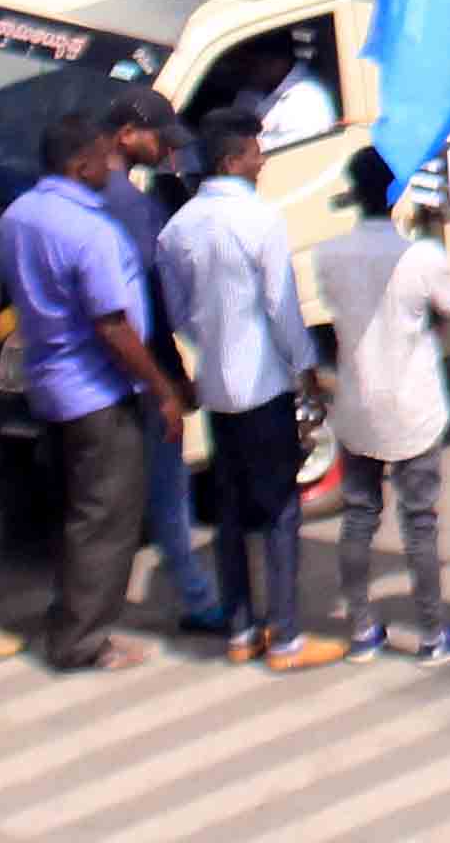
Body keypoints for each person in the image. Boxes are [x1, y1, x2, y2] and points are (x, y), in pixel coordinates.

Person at [157, 109, 340, 670]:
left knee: (232, 510)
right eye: (256, 152)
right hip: (263, 386)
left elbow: (178, 313)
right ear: (232, 160)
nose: (263, 161)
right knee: (281, 508)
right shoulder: (260, 220)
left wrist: (211, 341)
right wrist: (305, 365)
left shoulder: (178, 228)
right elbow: (282, 307)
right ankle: (284, 636)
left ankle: (240, 630)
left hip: (216, 386)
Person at [2, 106, 179, 673]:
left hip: (49, 384)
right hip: (96, 393)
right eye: (104, 156)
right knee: (106, 519)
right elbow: (112, 325)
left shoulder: (20, 214)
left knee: (77, 512)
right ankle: (84, 640)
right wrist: (162, 388)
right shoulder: (92, 232)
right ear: (81, 165)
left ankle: (69, 617)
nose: (112, 164)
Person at [302, 144, 450, 667]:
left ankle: (362, 628)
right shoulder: (421, 256)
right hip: (413, 405)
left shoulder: (328, 255)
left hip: (357, 403)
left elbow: (335, 314)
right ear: (397, 195)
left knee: (359, 516)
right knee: (419, 520)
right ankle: (433, 633)